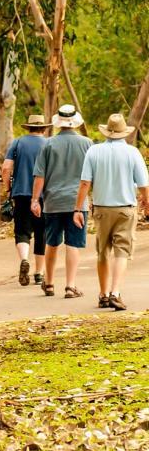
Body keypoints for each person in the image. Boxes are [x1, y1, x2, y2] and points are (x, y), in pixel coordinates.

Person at [74, 113, 149, 311]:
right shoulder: (132, 153)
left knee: (103, 251)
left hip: (101, 209)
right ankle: (115, 292)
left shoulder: (94, 151)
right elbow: (143, 184)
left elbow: (84, 183)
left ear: (107, 132)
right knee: (122, 251)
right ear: (124, 133)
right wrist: (147, 203)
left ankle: (103, 294)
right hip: (125, 209)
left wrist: (77, 209)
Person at [31, 104, 93, 298]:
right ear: (75, 122)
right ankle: (70, 285)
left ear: (59, 122)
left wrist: (35, 200)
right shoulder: (87, 144)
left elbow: (39, 176)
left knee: (52, 243)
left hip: (53, 202)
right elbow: (92, 176)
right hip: (78, 203)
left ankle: (48, 283)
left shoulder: (48, 144)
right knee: (73, 244)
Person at [2, 115, 50, 286]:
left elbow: (6, 167)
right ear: (44, 128)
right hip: (45, 195)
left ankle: (24, 259)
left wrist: (7, 188)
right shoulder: (48, 143)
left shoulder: (18, 142)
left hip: (21, 193)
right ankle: (39, 273)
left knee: (22, 230)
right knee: (41, 232)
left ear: (28, 127)